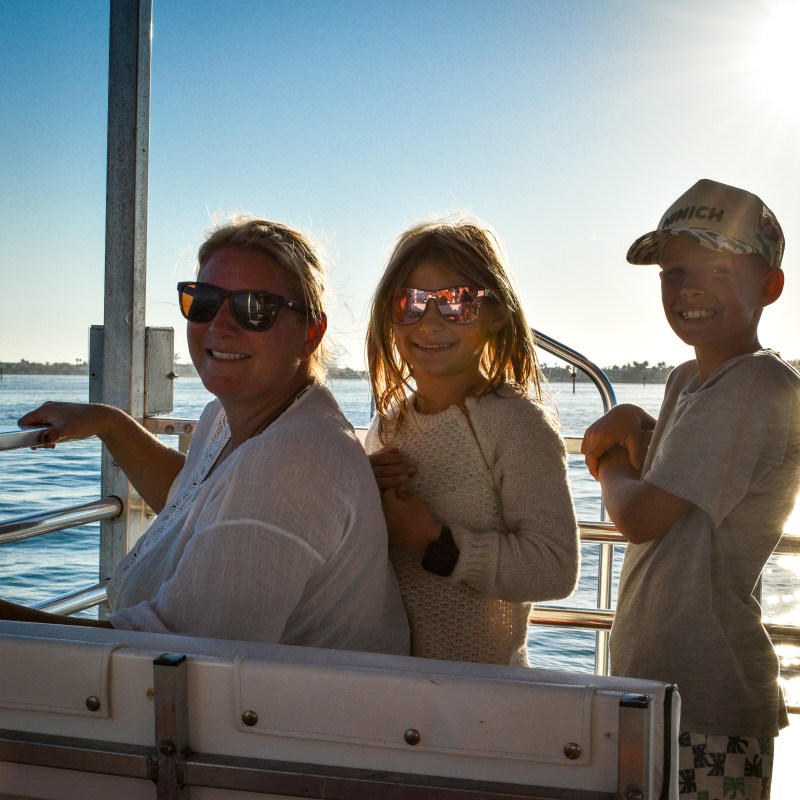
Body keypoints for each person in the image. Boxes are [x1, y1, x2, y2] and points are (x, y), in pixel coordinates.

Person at [6, 217, 410, 656]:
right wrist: (111, 423)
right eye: (203, 302)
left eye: (254, 308)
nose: (220, 326)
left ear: (310, 333)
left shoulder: (291, 461)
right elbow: (195, 503)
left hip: (282, 702)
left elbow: (174, 659)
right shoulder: (228, 418)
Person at [581, 179, 800, 800]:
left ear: (770, 287)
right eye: (674, 272)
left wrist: (607, 462)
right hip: (657, 692)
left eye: (719, 269)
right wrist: (637, 422)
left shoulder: (758, 384)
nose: (690, 288)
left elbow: (642, 515)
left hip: (709, 706)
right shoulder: (688, 381)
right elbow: (681, 470)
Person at [365, 217, 580, 665]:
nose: (429, 322)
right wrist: (359, 491)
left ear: (496, 313)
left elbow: (554, 567)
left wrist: (433, 543)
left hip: (483, 688)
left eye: (456, 302)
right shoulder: (386, 427)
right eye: (409, 302)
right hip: (389, 680)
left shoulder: (516, 425)